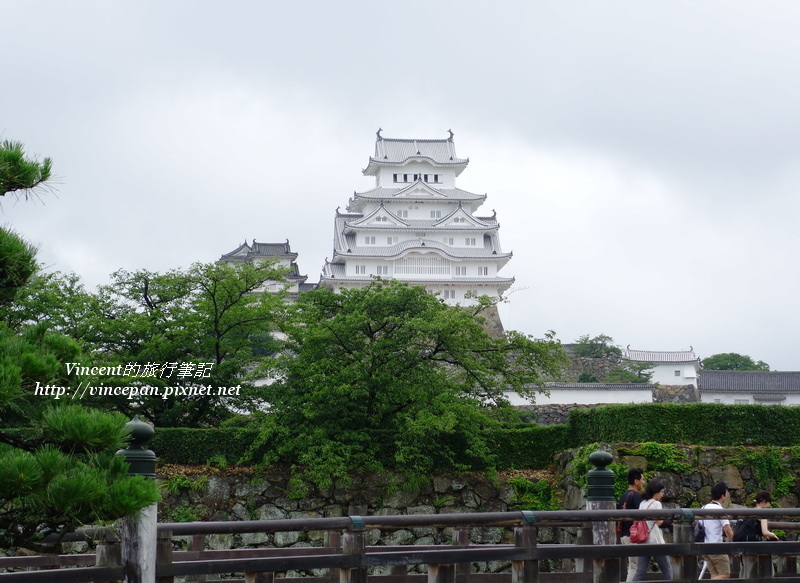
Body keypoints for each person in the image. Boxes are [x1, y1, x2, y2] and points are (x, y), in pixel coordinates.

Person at [633, 479, 672, 581]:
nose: (662, 495)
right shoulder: (656, 504)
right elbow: (660, 523)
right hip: (655, 542)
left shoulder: (643, 503)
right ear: (657, 492)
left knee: (640, 572)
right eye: (662, 492)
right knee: (667, 570)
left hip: (643, 541)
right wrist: (670, 521)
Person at [738, 490, 779, 579]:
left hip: (744, 546)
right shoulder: (762, 513)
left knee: (746, 573)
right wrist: (773, 535)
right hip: (755, 547)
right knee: (761, 573)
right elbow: (765, 532)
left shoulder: (748, 513)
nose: (768, 506)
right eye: (768, 503)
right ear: (764, 502)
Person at [701, 481, 734, 579]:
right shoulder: (719, 510)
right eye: (726, 493)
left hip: (705, 547)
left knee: (715, 575)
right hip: (716, 547)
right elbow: (727, 529)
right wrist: (735, 542)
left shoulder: (704, 508)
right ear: (722, 495)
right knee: (725, 575)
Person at [618, 467, 645, 581]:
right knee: (635, 567)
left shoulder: (623, 496)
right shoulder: (636, 496)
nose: (643, 482)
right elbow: (643, 514)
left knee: (633, 566)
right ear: (636, 481)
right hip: (633, 536)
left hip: (624, 535)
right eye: (642, 479)